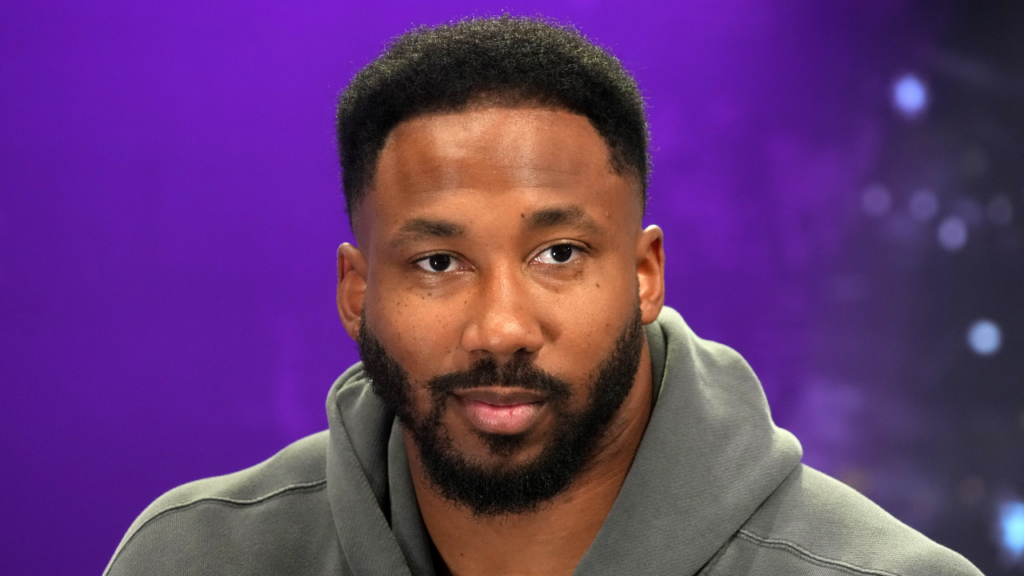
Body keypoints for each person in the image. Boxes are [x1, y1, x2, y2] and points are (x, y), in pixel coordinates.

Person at [105, 16, 982, 576]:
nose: (501, 328)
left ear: (644, 275)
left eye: (558, 253)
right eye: (438, 262)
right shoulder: (197, 558)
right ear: (356, 290)